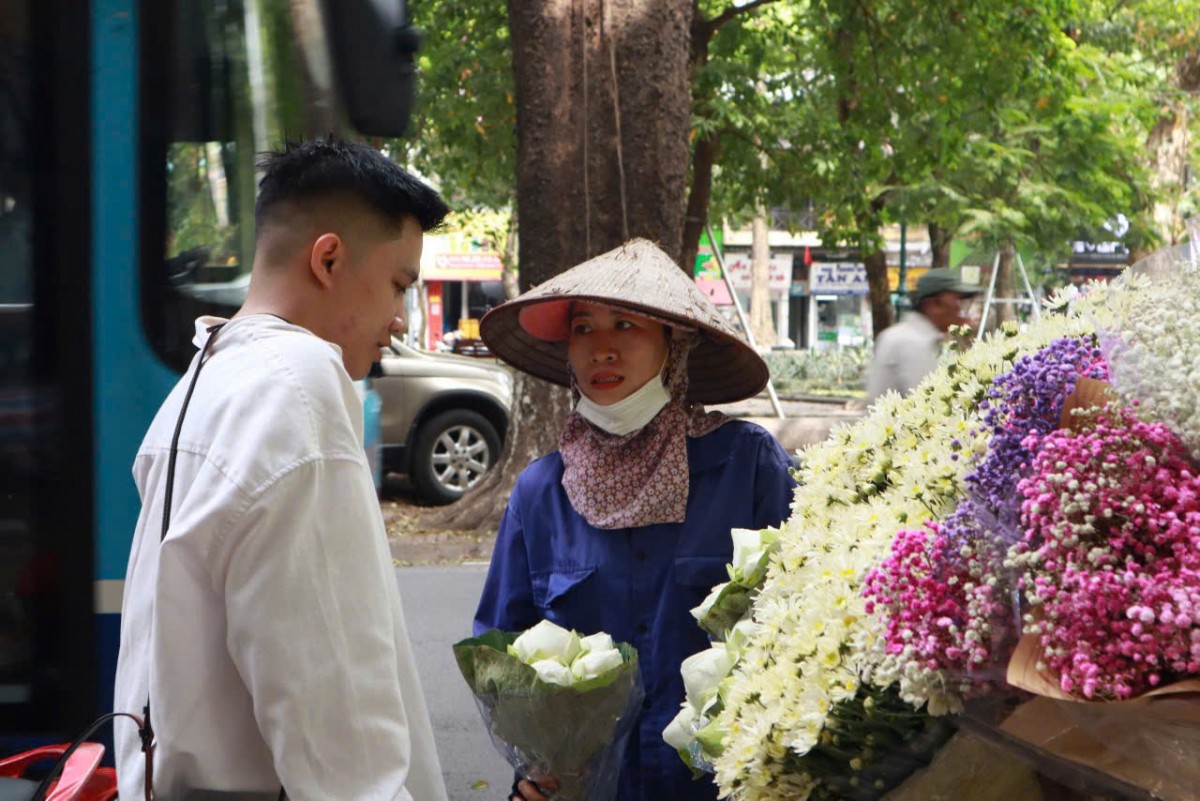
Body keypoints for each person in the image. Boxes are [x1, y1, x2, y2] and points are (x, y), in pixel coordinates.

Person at [113, 140, 451, 801]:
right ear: (328, 258)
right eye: (399, 285)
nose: (400, 319)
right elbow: (340, 741)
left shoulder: (203, 380)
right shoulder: (298, 387)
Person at [473, 239, 798, 801]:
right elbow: (500, 650)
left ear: (676, 346)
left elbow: (804, 622)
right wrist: (531, 765)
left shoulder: (746, 465)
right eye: (583, 328)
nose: (601, 349)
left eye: (625, 325)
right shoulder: (540, 492)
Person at [865, 268, 981, 402]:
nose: (959, 309)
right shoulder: (914, 343)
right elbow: (929, 405)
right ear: (933, 304)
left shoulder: (903, 336)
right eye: (956, 301)